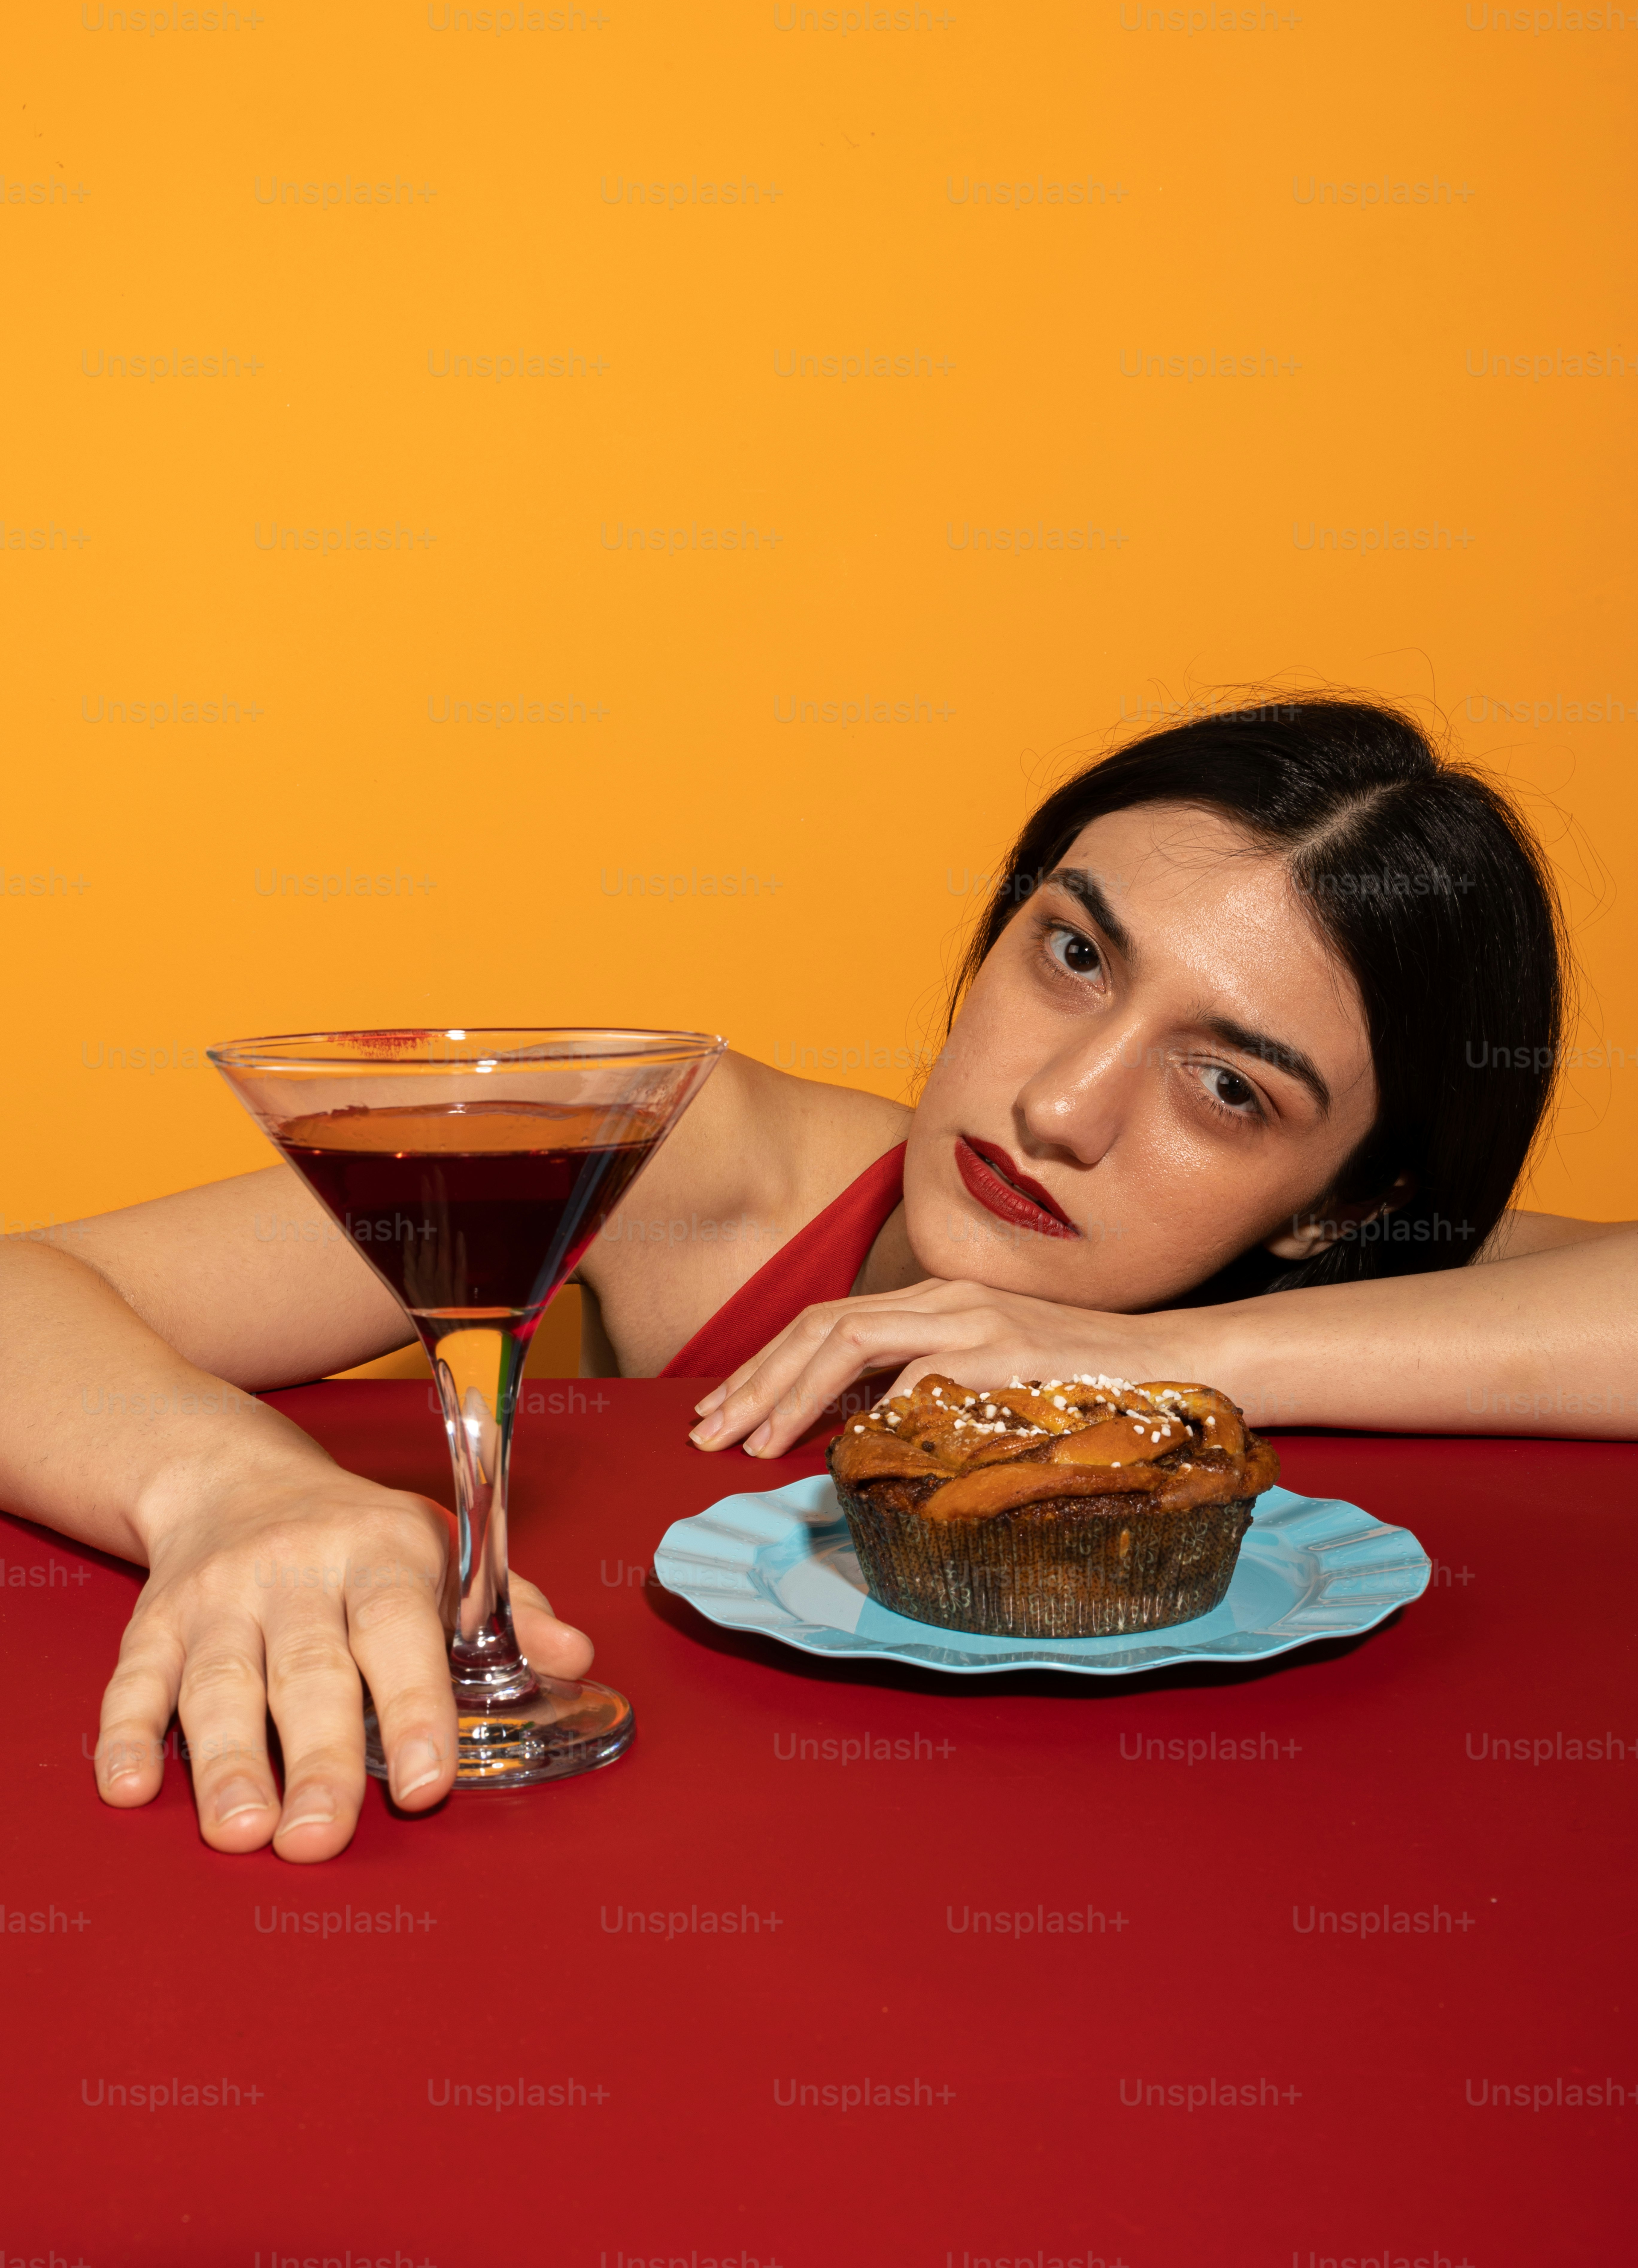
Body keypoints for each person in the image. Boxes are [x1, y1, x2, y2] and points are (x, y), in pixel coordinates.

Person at [3, 698, 1633, 1866]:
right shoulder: (704, 1154)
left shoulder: (1332, 1283)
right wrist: (228, 1486)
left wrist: (1191, 1357)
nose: (1061, 1107)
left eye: (1230, 1089)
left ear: (1341, 1210)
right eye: (1073, 954)